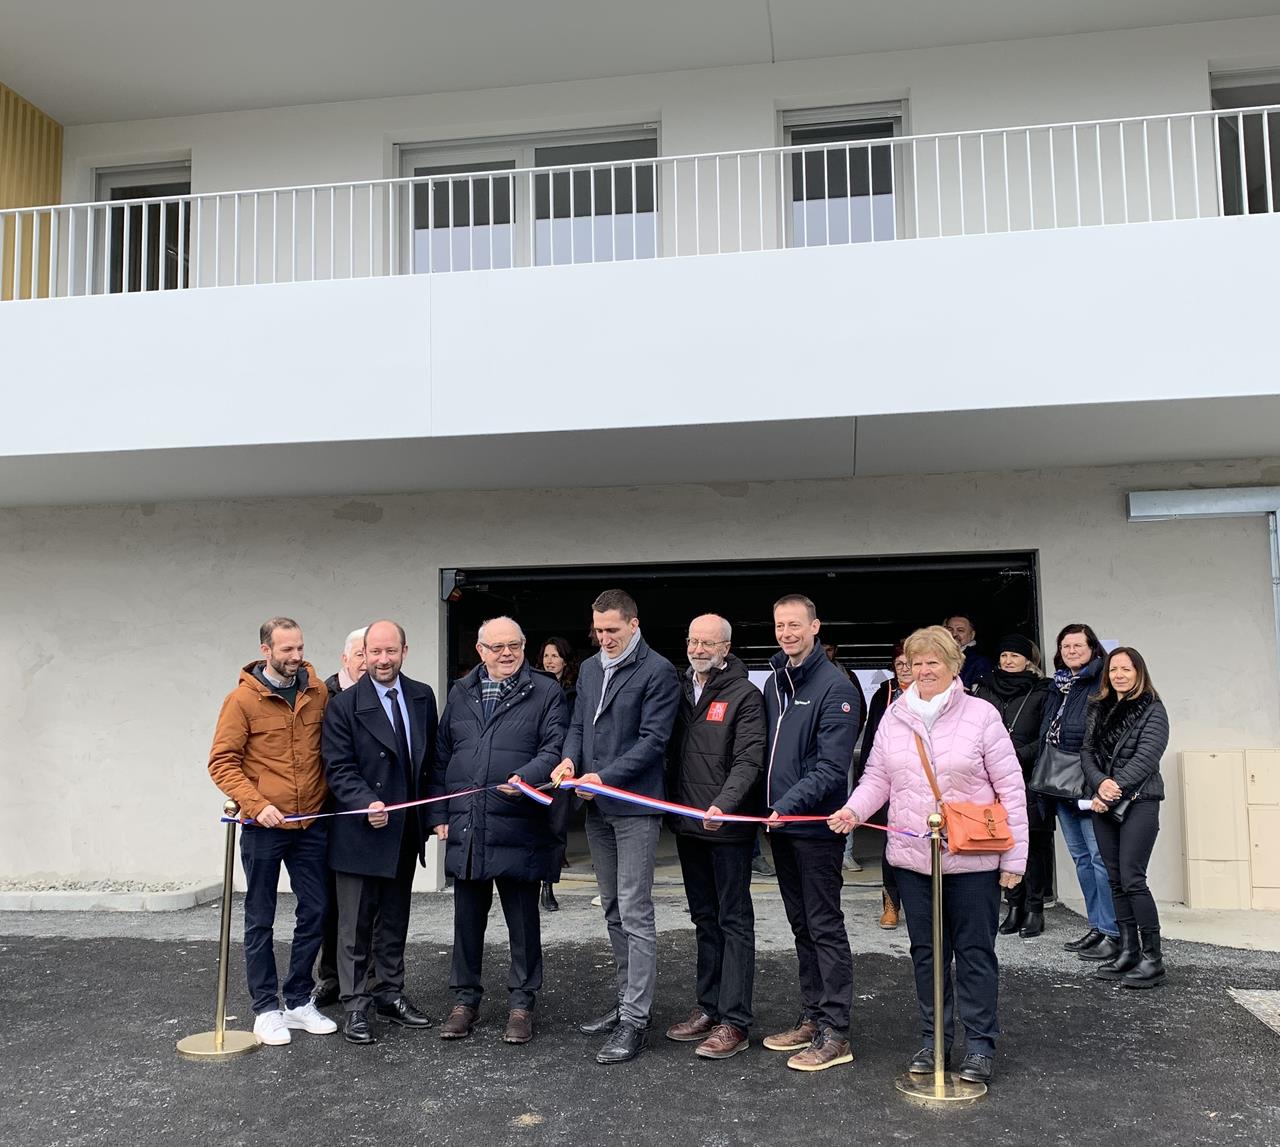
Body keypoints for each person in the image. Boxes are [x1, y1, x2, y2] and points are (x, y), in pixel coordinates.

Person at [831, 625, 1028, 1086]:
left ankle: (979, 1045)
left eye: (933, 661)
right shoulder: (895, 715)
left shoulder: (981, 715)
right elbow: (878, 777)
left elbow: (1011, 789)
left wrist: (1014, 860)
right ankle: (933, 1038)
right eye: (916, 662)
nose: (924, 670)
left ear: (954, 665)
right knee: (927, 953)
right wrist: (853, 811)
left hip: (972, 860)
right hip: (914, 859)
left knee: (975, 952)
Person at [551, 589, 680, 1065]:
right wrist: (569, 759)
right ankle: (626, 1000)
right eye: (598, 630)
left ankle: (636, 1020)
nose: (604, 638)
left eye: (612, 630)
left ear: (634, 624)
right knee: (611, 907)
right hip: (597, 807)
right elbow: (579, 727)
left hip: (634, 807)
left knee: (634, 909)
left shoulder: (658, 671)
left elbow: (653, 743)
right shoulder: (588, 669)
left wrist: (602, 778)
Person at [430, 617, 569, 1043]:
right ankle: (463, 1001)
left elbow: (555, 747)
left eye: (513, 645)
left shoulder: (546, 690)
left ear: (524, 646)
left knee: (523, 922)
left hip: (519, 822)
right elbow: (441, 754)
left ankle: (522, 1004)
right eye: (496, 647)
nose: (505, 653)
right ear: (480, 650)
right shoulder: (461, 691)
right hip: (468, 822)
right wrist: (439, 813)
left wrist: (524, 777)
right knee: (466, 921)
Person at [207, 617, 337, 1047]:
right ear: (266, 650)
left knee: (316, 910)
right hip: (264, 826)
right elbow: (222, 762)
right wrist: (257, 804)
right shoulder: (241, 700)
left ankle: (298, 1000)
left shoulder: (317, 692)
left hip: (311, 823)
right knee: (260, 918)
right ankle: (266, 1008)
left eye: (299, 648)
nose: (296, 657)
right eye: (286, 650)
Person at [321, 619, 438, 1045]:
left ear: (404, 651)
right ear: (363, 655)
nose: (383, 660)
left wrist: (433, 816)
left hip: (404, 831)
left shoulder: (423, 697)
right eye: (375, 652)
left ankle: (389, 994)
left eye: (391, 651)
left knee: (393, 920)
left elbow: (430, 765)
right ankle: (356, 1005)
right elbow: (337, 768)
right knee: (353, 926)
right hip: (360, 831)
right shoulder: (343, 705)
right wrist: (362, 802)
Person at [760, 594, 861, 1073]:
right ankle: (813, 1015)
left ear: (815, 626)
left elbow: (831, 769)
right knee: (801, 925)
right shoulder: (775, 682)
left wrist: (785, 805)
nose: (787, 632)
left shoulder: (835, 687)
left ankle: (836, 1031)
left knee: (824, 925)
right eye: (780, 625)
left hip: (815, 828)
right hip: (781, 827)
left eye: (795, 624)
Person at [664, 613, 765, 1060]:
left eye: (709, 643)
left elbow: (749, 759)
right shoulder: (681, 690)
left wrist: (724, 804)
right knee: (704, 919)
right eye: (693, 641)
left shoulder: (744, 695)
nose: (699, 649)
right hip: (689, 825)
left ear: (727, 647)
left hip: (727, 828)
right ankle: (708, 1007)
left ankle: (735, 1021)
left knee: (734, 921)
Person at [1082, 647, 1170, 988]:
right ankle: (1128, 950)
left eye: (1126, 669)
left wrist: (1111, 788)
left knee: (1133, 879)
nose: (1119, 674)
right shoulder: (1098, 707)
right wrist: (1100, 784)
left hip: (1140, 802)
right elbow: (1086, 752)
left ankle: (1153, 959)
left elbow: (1147, 757)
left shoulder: (1153, 709)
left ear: (1139, 672)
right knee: (1115, 880)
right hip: (1104, 801)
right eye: (1113, 669)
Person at [1040, 623, 1121, 962]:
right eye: (1066, 646)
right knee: (1082, 859)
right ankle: (1097, 926)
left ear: (1093, 648)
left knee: (1100, 859)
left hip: (1088, 780)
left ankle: (1114, 933)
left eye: (1078, 645)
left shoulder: (1102, 683)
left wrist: (1102, 779)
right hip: (1061, 783)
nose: (1071, 651)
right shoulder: (1060, 684)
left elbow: (1107, 734)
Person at [971, 634, 1055, 939]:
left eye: (1015, 656)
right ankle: (1014, 905)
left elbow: (1046, 736)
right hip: (990, 779)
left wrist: (1013, 756)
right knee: (999, 842)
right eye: (1004, 655)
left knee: (1030, 846)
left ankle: (1035, 909)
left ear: (1028, 661)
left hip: (1029, 776)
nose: (1008, 661)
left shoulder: (1043, 691)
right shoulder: (985, 688)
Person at [314, 625, 369, 1008]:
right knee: (332, 905)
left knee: (374, 906)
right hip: (331, 812)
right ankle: (331, 978)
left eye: (374, 653)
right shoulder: (324, 696)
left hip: (377, 814)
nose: (368, 661)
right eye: (360, 654)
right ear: (345, 658)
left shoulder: (390, 694)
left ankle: (375, 983)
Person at [856, 640, 912, 929]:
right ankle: (891, 904)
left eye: (909, 664)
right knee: (893, 842)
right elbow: (871, 742)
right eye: (899, 664)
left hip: (928, 782)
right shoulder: (885, 693)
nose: (904, 670)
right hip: (893, 780)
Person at [539, 636, 578, 912]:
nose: (549, 661)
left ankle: (548, 885)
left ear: (565, 660)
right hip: (537, 766)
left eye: (554, 656)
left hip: (562, 771)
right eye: (545, 656)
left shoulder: (575, 693)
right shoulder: (533, 688)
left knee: (556, 828)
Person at [945, 615, 994, 689]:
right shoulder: (936, 655)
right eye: (950, 629)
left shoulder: (980, 662)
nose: (954, 634)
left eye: (960, 630)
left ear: (972, 635)